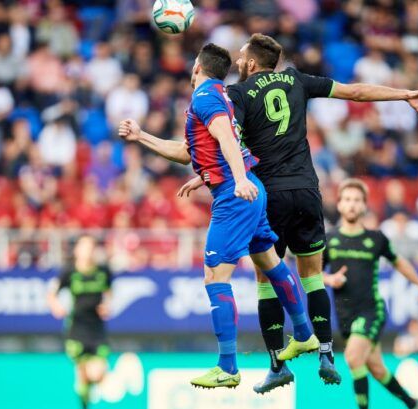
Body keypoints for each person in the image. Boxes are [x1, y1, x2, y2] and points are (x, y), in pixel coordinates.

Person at [177, 33, 418, 393]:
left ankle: (275, 365)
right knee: (312, 275)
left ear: (252, 64)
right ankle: (325, 352)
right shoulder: (297, 80)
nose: (238, 62)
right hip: (306, 189)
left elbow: (225, 139)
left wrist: (209, 173)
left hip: (266, 191)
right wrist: (404, 94)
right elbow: (357, 93)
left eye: (242, 58)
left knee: (265, 275)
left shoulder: (237, 94)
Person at [118, 43, 318, 389]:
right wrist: (141, 137)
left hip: (235, 194)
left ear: (197, 67)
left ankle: (228, 366)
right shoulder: (216, 96)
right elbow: (186, 152)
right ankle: (303, 333)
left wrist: (237, 179)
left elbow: (225, 135)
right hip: (249, 189)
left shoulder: (205, 99)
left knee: (214, 276)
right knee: (270, 263)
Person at [322, 179, 418, 409]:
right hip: (345, 314)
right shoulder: (330, 239)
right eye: (347, 199)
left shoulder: (376, 239)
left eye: (356, 200)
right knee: (377, 369)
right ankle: (413, 404)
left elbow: (398, 261)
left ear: (364, 206)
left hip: (372, 310)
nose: (351, 205)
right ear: (339, 205)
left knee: (351, 357)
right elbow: (313, 272)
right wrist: (330, 278)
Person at [47, 235, 113, 409]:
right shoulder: (69, 272)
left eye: (91, 247)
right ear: (77, 251)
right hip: (76, 328)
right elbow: (51, 293)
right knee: (83, 374)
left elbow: (110, 292)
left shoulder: (103, 271)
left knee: (97, 373)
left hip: (97, 328)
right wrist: (56, 306)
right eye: (84, 247)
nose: (88, 251)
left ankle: (90, 390)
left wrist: (107, 306)